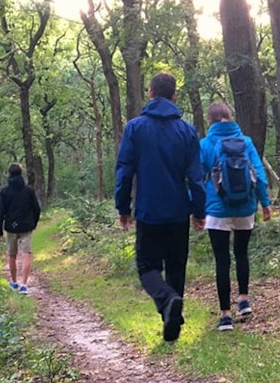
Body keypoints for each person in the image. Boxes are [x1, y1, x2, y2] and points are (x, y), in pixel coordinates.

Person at [115, 72, 206, 342]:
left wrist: (123, 207)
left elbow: (124, 171)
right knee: (176, 266)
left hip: (148, 211)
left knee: (147, 266)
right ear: (174, 95)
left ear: (151, 93)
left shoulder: (135, 128)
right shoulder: (187, 130)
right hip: (178, 211)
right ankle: (172, 322)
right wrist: (199, 211)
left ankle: (167, 303)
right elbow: (196, 177)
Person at [200, 101, 271, 331]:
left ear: (210, 120)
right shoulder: (246, 142)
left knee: (222, 260)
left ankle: (225, 316)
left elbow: (197, 179)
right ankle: (243, 300)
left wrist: (196, 210)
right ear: (230, 117)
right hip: (245, 208)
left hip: (217, 211)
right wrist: (266, 204)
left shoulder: (205, 144)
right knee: (241, 253)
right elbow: (258, 175)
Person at [0, 163, 41, 294]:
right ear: (21, 174)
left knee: (12, 254)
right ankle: (24, 284)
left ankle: (14, 282)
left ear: (9, 174)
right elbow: (37, 209)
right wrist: (34, 222)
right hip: (27, 226)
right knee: (26, 253)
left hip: (11, 227)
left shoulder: (4, 192)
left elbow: (0, 213)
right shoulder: (29, 190)